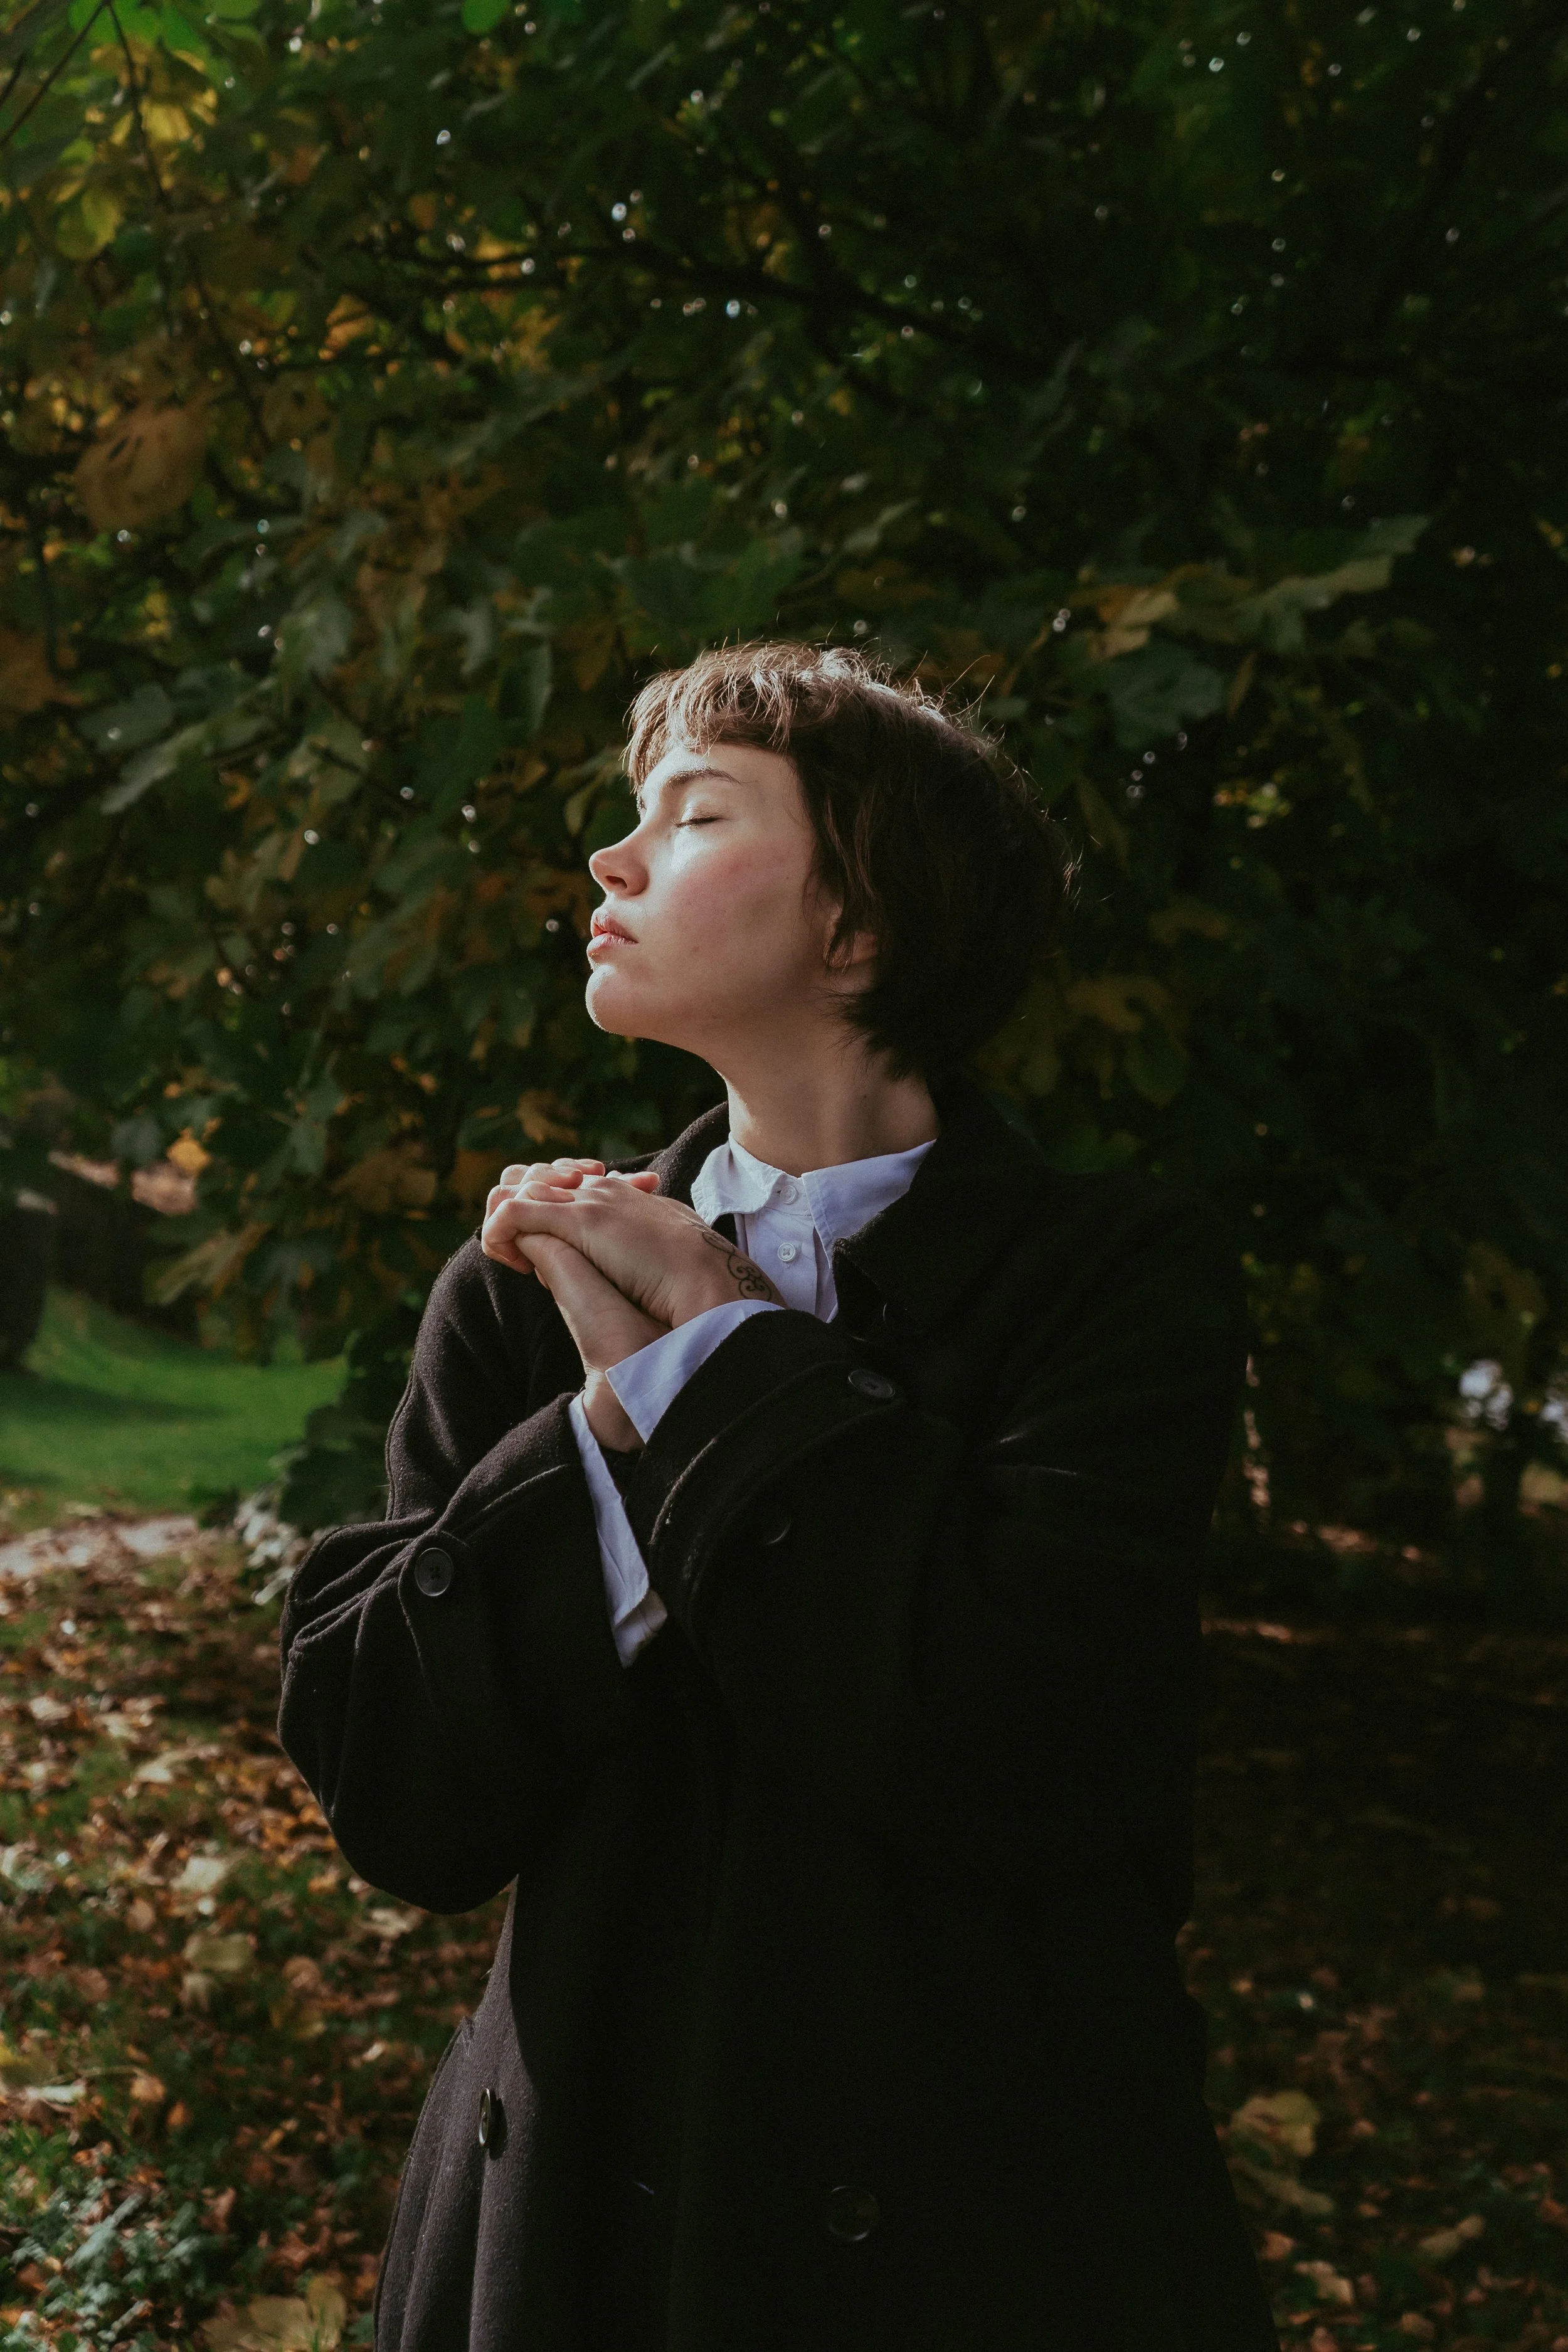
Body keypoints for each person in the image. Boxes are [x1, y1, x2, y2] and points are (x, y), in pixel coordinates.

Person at [278, 642, 1279, 2352]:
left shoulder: (1109, 1282)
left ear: (859, 924)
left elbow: (1000, 1736)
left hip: (982, 2232)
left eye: (696, 812)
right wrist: (604, 1414)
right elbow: (395, 1785)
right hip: (557, 2240)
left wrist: (705, 1356)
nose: (611, 857)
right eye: (630, 814)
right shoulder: (526, 1283)